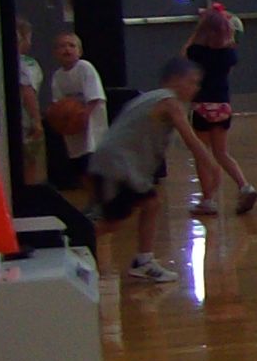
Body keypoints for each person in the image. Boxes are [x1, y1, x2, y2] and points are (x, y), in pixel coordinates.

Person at [86, 54, 224, 286]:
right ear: (174, 80)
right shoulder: (170, 102)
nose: (195, 88)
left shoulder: (149, 98)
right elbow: (190, 139)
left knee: (151, 203)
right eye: (191, 81)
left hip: (116, 164)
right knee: (112, 223)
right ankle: (67, 245)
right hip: (117, 167)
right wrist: (213, 167)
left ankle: (144, 261)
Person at [182, 2, 257, 217]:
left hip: (202, 107)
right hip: (223, 107)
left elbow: (185, 51)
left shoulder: (198, 52)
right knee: (222, 153)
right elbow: (230, 44)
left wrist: (200, 26)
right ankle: (245, 186)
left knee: (202, 154)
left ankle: (208, 200)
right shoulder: (229, 56)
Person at [46, 30, 107, 191]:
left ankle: (102, 200)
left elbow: (95, 98)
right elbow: (58, 105)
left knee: (93, 167)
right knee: (80, 169)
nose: (67, 49)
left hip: (92, 128)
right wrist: (60, 119)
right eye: (62, 46)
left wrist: (82, 116)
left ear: (79, 51)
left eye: (71, 45)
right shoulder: (57, 76)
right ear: (55, 53)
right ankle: (92, 200)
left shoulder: (85, 68)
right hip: (73, 132)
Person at [13, 19, 42, 186]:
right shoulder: (25, 64)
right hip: (24, 120)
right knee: (29, 160)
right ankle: (28, 195)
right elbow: (28, 92)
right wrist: (36, 121)